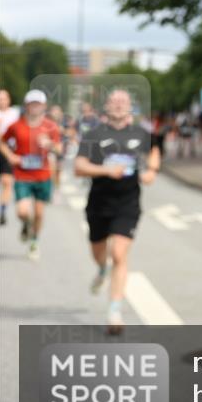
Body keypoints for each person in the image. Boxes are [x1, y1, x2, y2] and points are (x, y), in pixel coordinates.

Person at [74, 90, 159, 334]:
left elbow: (154, 151)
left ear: (130, 107)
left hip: (128, 203)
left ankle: (114, 310)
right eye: (115, 101)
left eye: (124, 102)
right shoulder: (94, 135)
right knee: (99, 252)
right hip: (99, 204)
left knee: (119, 254)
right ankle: (102, 270)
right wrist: (106, 171)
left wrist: (152, 170)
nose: (120, 105)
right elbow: (79, 167)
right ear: (107, 107)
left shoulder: (141, 134)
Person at [0, 90, 62, 260]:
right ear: (26, 105)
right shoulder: (16, 125)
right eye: (32, 103)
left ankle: (34, 241)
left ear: (43, 106)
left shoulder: (51, 126)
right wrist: (11, 156)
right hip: (22, 175)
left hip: (43, 176)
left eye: (38, 104)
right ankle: (27, 225)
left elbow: (59, 148)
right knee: (22, 212)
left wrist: (49, 143)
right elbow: (2, 141)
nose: (35, 107)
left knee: (40, 214)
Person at [0, 89, 20, 225]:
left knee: (7, 182)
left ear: (9, 100)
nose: (1, 101)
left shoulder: (15, 114)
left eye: (4, 98)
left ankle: (3, 210)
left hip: (8, 150)